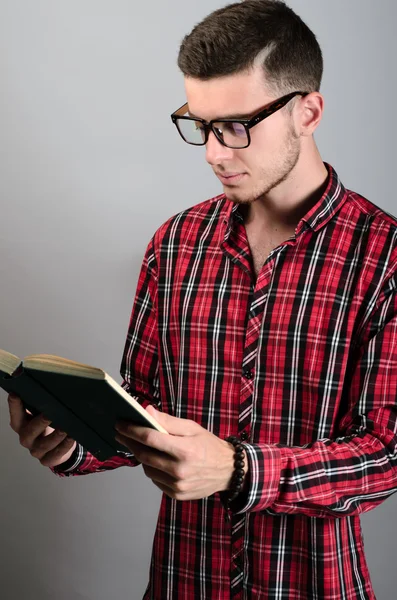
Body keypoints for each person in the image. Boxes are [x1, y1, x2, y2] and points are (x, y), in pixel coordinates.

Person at [7, 1, 397, 598]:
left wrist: (239, 470)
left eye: (237, 126)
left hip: (316, 586)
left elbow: (385, 454)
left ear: (308, 112)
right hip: (180, 582)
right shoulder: (174, 244)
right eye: (201, 124)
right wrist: (74, 441)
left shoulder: (386, 256)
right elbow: (144, 410)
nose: (214, 153)